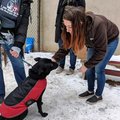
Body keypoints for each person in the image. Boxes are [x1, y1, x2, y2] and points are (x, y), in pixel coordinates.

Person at [52, 6, 119, 104]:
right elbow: (67, 46)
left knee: (99, 68)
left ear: (80, 24)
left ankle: (98, 95)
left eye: (70, 26)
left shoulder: (98, 25)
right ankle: (90, 90)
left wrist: (86, 65)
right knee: (89, 67)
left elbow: (101, 51)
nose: (67, 30)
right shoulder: (75, 28)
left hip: (109, 42)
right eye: (66, 26)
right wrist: (55, 58)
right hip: (93, 43)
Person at [0, 0, 33, 104]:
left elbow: (23, 26)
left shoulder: (25, 3)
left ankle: (23, 93)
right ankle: (0, 95)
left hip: (10, 36)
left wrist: (17, 45)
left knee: (18, 63)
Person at [55, 0, 86, 75]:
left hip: (73, 27)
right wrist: (57, 24)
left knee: (73, 48)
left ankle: (72, 67)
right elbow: (58, 12)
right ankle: (61, 65)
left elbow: (81, 12)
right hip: (62, 27)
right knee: (61, 46)